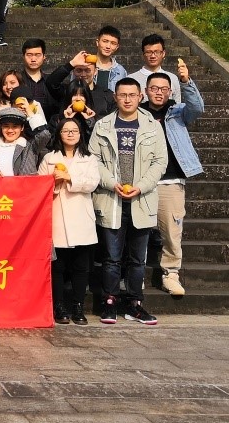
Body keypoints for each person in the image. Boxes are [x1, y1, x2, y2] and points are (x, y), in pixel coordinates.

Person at [90, 77, 168, 326]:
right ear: (115, 97)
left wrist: (141, 186)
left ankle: (135, 304)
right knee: (111, 258)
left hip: (141, 199)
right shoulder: (103, 125)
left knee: (137, 259)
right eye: (122, 95)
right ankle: (110, 301)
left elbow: (160, 162)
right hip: (111, 198)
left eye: (132, 95)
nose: (127, 99)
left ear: (140, 96)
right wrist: (111, 182)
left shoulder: (152, 126)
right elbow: (94, 159)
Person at [144, 63, 204, 299]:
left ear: (170, 91)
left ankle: (170, 273)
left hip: (170, 179)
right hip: (142, 180)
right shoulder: (138, 113)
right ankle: (134, 273)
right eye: (154, 88)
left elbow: (197, 107)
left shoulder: (178, 112)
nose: (158, 92)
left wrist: (186, 82)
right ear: (146, 91)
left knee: (171, 230)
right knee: (136, 229)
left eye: (163, 89)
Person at [38, 116, 101, 325]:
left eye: (74, 130)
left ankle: (78, 306)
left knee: (81, 266)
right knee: (58, 266)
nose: (71, 134)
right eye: (66, 130)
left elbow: (93, 183)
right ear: (59, 134)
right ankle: (59, 306)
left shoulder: (89, 158)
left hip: (81, 217)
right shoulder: (49, 158)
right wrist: (55, 182)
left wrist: (69, 178)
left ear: (81, 134)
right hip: (57, 216)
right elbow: (40, 186)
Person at [0, 108, 40, 178]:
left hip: (25, 185)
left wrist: (30, 113)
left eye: (15, 126)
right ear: (1, 127)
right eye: (6, 126)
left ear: (22, 128)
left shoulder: (30, 147)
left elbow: (45, 134)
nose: (10, 130)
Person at [130, 34, 183, 102]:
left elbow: (177, 105)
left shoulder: (172, 78)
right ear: (143, 54)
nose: (153, 56)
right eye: (148, 52)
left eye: (157, 52)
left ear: (163, 53)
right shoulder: (132, 79)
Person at [94, 25, 127, 92]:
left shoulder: (120, 71)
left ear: (117, 47)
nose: (108, 46)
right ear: (97, 42)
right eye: (105, 41)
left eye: (113, 43)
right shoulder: (85, 67)